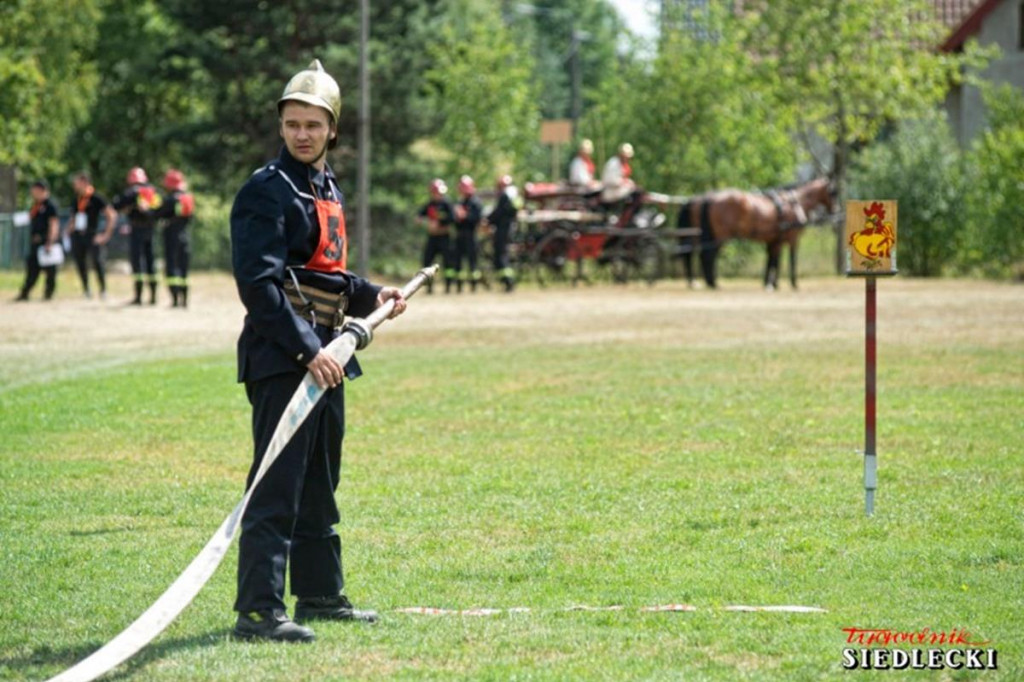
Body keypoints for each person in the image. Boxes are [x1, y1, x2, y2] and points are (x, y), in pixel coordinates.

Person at [229, 58, 407, 643]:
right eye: (292, 123)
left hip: (329, 356)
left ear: (333, 128)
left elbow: (325, 274)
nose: (301, 133)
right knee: (277, 483)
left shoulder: (324, 186)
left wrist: (370, 294)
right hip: (285, 358)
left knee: (319, 484)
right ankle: (258, 611)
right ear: (281, 126)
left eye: (313, 123)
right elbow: (261, 287)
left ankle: (321, 596)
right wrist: (310, 352)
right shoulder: (265, 191)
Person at [64, 172, 117, 300]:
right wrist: (67, 231)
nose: (74, 185)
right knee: (80, 262)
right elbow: (74, 217)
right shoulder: (76, 199)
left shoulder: (96, 198)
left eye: (76, 182)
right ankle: (86, 289)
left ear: (84, 182)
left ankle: (103, 290)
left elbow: (111, 215)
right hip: (78, 235)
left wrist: (105, 234)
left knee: (97, 262)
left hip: (92, 235)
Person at [113, 166, 162, 305]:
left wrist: (129, 207)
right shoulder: (153, 192)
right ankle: (153, 297)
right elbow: (158, 210)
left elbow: (116, 204)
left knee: (137, 262)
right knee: (151, 262)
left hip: (136, 230)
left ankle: (139, 297)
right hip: (151, 231)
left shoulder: (131, 192)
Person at [15, 180, 60, 302]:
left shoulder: (50, 205)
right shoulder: (36, 205)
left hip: (46, 242)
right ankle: (25, 293)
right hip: (35, 243)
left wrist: (50, 242)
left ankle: (48, 294)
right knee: (32, 268)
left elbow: (54, 224)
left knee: (51, 271)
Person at [156, 169, 195, 308]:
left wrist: (145, 209)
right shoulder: (187, 198)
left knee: (172, 268)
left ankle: (175, 300)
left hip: (171, 237)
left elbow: (157, 214)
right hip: (185, 236)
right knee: (184, 269)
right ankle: (184, 301)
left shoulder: (170, 200)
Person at [415, 178, 456, 294]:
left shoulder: (447, 203)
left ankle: (448, 286)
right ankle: (429, 287)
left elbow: (452, 218)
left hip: (444, 237)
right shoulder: (430, 204)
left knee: (447, 263)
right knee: (427, 260)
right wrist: (419, 218)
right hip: (432, 237)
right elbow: (420, 214)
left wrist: (440, 223)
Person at [487, 174, 518, 293]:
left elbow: (498, 212)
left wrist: (487, 220)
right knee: (503, 255)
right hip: (509, 228)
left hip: (503, 229)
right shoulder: (513, 195)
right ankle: (506, 282)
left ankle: (508, 282)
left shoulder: (505, 196)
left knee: (501, 255)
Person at [452, 175, 483, 293]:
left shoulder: (475, 202)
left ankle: (474, 286)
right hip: (459, 235)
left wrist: (464, 216)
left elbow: (476, 218)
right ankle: (458, 286)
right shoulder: (460, 202)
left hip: (471, 235)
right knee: (458, 262)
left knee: (472, 262)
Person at [600, 143, 643, 227]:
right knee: (636, 193)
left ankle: (629, 218)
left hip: (617, 190)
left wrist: (628, 182)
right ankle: (624, 220)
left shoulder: (620, 164)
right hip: (611, 192)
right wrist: (624, 183)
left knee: (638, 192)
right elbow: (609, 180)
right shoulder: (613, 163)